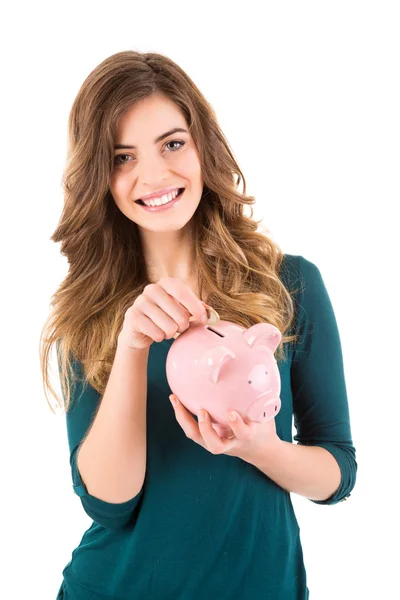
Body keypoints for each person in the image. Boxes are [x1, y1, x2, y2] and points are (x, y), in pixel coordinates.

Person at [39, 50, 357, 600]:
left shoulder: (289, 286)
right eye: (122, 157)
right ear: (101, 177)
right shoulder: (88, 314)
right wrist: (132, 346)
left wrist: (258, 447)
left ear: (203, 146)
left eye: (172, 143)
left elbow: (337, 474)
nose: (154, 174)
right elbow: (108, 504)